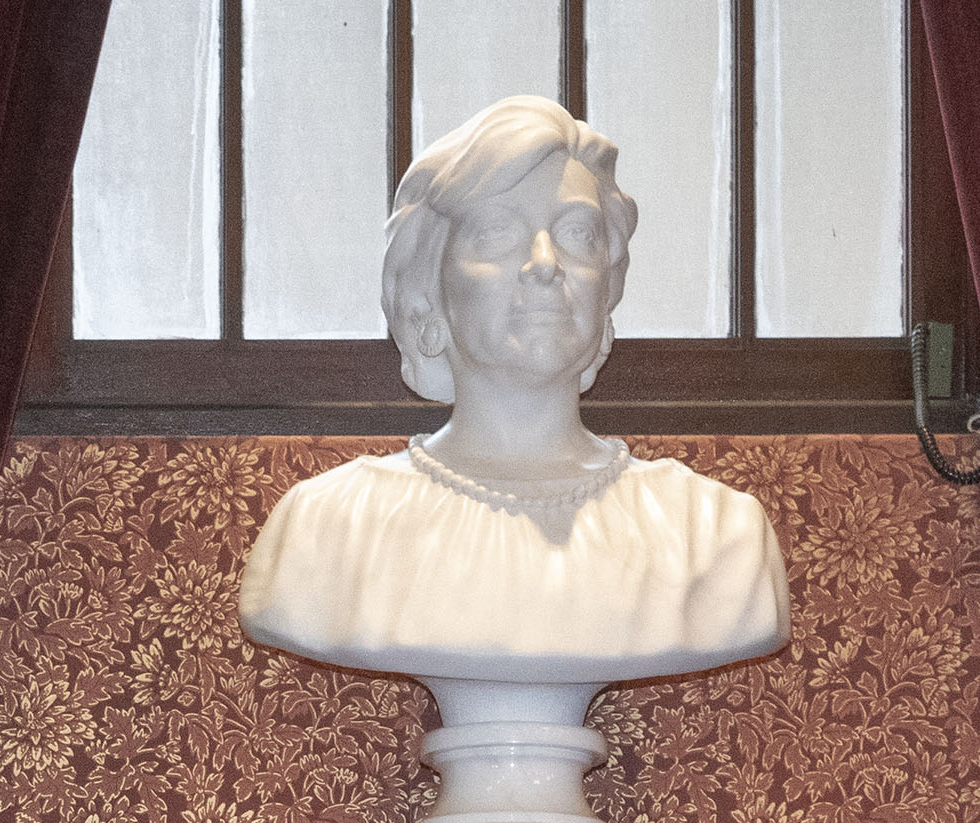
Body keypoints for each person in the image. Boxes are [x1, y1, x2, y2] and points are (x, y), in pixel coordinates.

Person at [238, 94, 787, 692]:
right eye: (497, 234)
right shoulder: (330, 529)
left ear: (608, 286)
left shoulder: (713, 535)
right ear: (427, 291)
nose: (545, 263)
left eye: (578, 233)